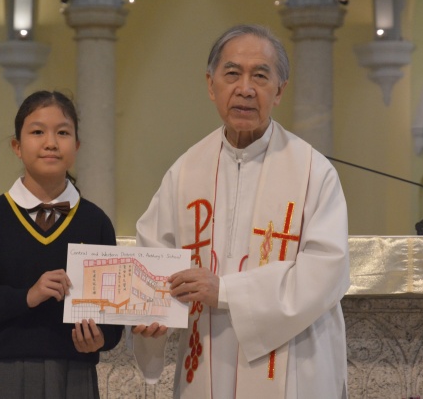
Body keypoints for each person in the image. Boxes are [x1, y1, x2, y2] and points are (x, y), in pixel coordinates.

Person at [131, 24, 350, 398]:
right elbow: (153, 258)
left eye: (260, 76)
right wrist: (152, 317)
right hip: (206, 362)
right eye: (232, 73)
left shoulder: (313, 172)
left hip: (291, 367)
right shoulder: (184, 173)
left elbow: (326, 272)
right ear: (210, 84)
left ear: (279, 90)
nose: (245, 89)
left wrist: (227, 291)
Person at [0, 90, 123, 399]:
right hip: (0, 374)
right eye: (37, 132)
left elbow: (113, 321)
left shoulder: (95, 222)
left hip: (74, 377)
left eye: (63, 133)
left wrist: (101, 339)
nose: (51, 143)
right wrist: (26, 296)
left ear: (77, 146)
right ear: (17, 146)